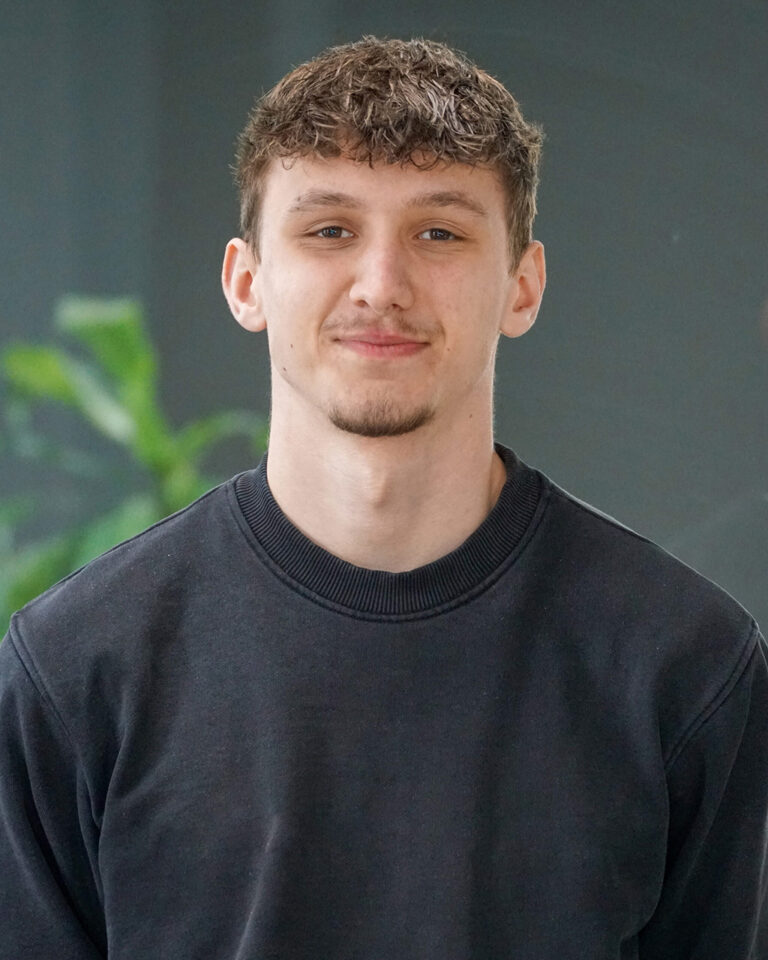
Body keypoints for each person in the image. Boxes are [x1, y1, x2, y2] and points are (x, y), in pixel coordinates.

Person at [1, 36, 766, 960]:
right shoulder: (76, 670)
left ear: (522, 286)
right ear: (246, 281)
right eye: (329, 230)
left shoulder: (685, 669)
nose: (381, 286)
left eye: (439, 232)